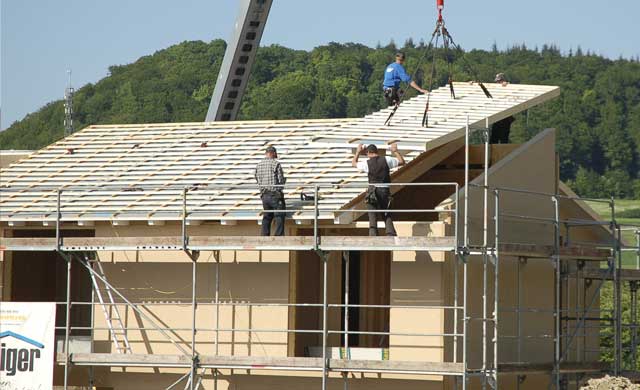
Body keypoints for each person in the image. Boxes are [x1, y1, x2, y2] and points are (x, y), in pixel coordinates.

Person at [352, 143, 406, 236]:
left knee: (372, 215)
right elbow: (401, 161)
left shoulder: (367, 163)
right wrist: (395, 151)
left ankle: (373, 236)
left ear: (368, 152)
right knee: (386, 214)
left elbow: (354, 163)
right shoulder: (387, 159)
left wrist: (357, 152)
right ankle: (391, 234)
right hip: (385, 191)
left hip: (372, 191)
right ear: (376, 152)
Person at [255, 146, 286, 236]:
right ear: (272, 153)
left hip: (264, 195)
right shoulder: (276, 164)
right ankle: (278, 236)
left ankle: (265, 235)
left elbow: (257, 178)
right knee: (280, 215)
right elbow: (280, 181)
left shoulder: (259, 165)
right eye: (275, 153)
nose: (276, 155)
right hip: (274, 194)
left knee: (267, 216)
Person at [489, 73, 515, 143]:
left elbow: (513, 91)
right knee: (494, 138)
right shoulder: (496, 89)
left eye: (499, 81)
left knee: (504, 138)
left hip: (505, 118)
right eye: (497, 81)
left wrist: (507, 85)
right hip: (497, 116)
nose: (498, 83)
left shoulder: (508, 86)